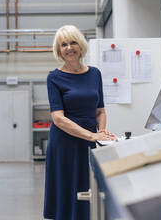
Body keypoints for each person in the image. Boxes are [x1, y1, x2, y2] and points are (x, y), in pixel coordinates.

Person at [43, 25, 116, 220]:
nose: (69, 48)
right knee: (67, 191)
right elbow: (58, 117)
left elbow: (100, 110)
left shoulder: (95, 74)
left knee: (88, 190)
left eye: (73, 42)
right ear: (59, 50)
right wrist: (92, 135)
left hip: (90, 141)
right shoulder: (54, 78)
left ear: (80, 45)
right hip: (65, 143)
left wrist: (102, 134)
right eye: (63, 44)